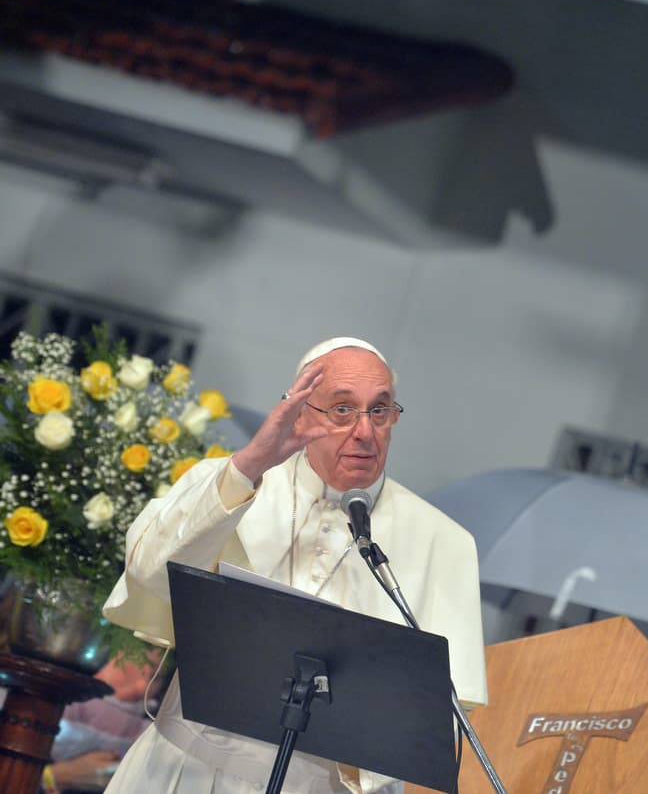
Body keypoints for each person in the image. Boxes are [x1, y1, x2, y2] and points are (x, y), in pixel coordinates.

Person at [100, 337, 487, 794]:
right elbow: (150, 574)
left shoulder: (444, 542)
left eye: (379, 411)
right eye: (343, 409)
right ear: (302, 411)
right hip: (184, 770)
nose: (365, 432)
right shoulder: (231, 481)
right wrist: (250, 465)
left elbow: (439, 713)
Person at [46, 653, 165, 793]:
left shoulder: (150, 731)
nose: (141, 686)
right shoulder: (65, 703)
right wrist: (59, 775)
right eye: (132, 667)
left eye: (155, 677)